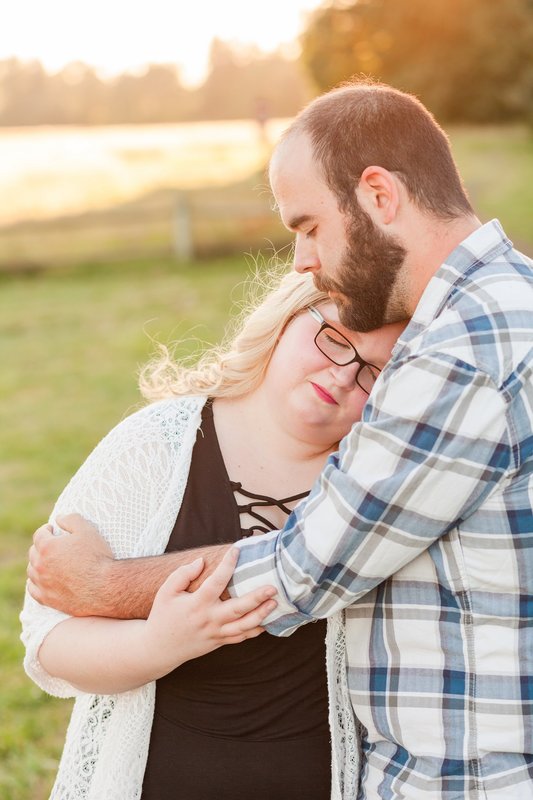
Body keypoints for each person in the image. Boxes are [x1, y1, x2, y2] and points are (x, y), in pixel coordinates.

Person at [27, 78, 533, 798]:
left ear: (379, 196)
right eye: (329, 339)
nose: (300, 259)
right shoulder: (492, 309)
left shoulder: (463, 346)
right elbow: (46, 639)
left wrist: (104, 584)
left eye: (308, 226)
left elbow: (305, 566)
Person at [22, 267, 404, 800]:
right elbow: (49, 640)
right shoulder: (157, 444)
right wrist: (157, 644)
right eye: (334, 338)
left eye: (375, 371)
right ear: (288, 316)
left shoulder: (381, 487)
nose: (344, 375)